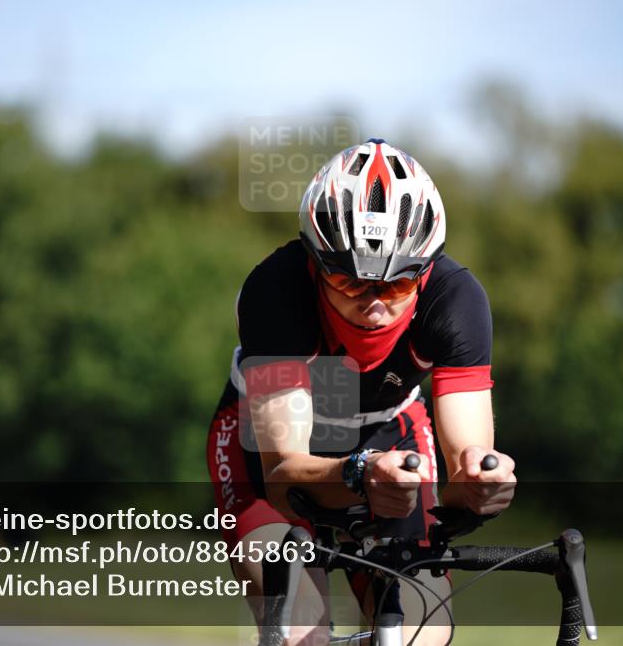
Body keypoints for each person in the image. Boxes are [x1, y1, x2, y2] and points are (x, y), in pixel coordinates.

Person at [206, 139, 517, 646]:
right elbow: (284, 477)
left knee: (421, 631)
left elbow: (466, 466)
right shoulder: (276, 290)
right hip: (262, 450)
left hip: (389, 433)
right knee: (301, 630)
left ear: (425, 271)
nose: (374, 304)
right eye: (351, 283)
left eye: (396, 287)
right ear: (315, 265)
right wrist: (358, 473)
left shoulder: (456, 300)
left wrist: (484, 482)